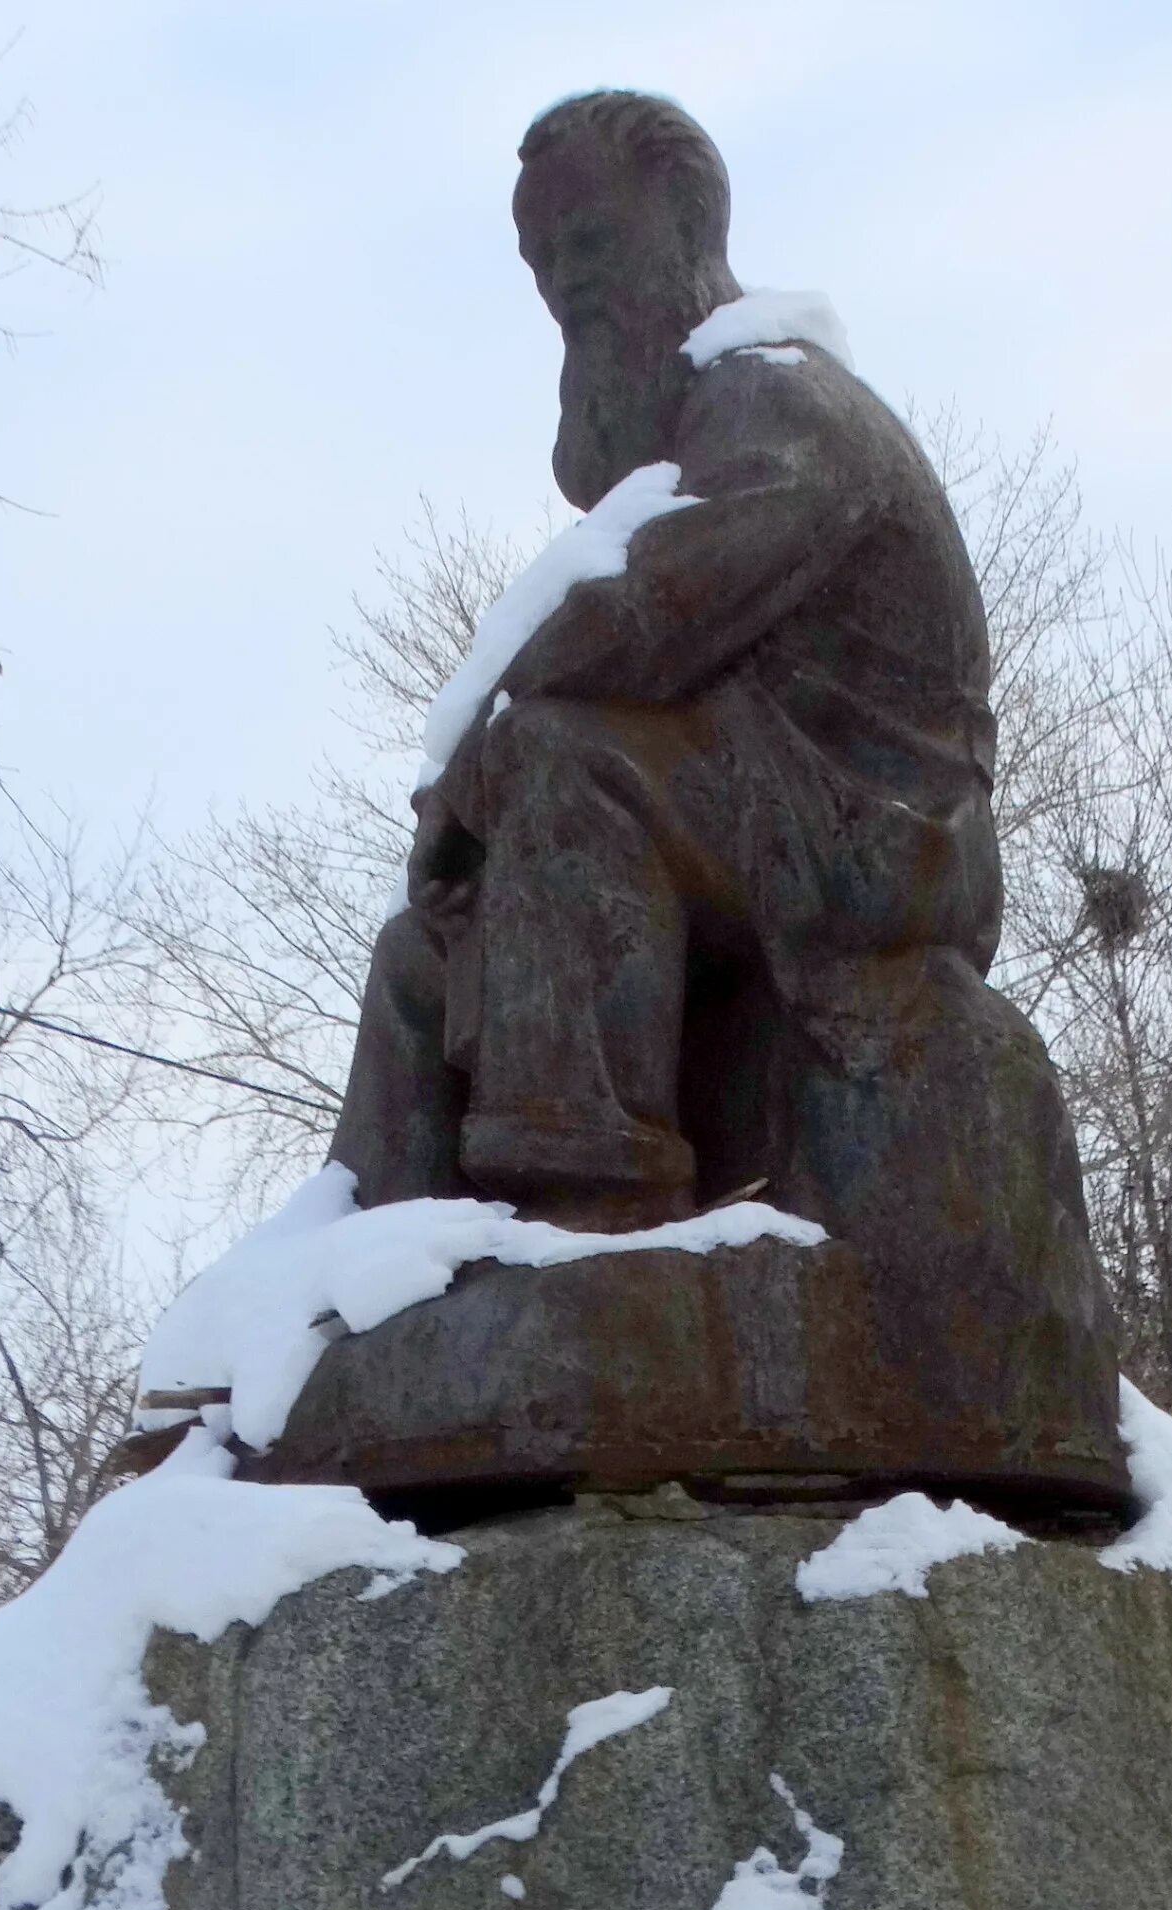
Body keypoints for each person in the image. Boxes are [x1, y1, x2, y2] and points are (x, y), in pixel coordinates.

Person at [331, 90, 1004, 1231]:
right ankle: (360, 1261)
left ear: (685, 229)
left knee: (562, 761)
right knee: (423, 954)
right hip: (758, 816)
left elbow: (645, 617)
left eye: (588, 242)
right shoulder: (694, 428)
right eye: (541, 257)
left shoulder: (780, 400)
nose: (562, 282)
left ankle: (587, 1196)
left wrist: (475, 771)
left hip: (885, 837)